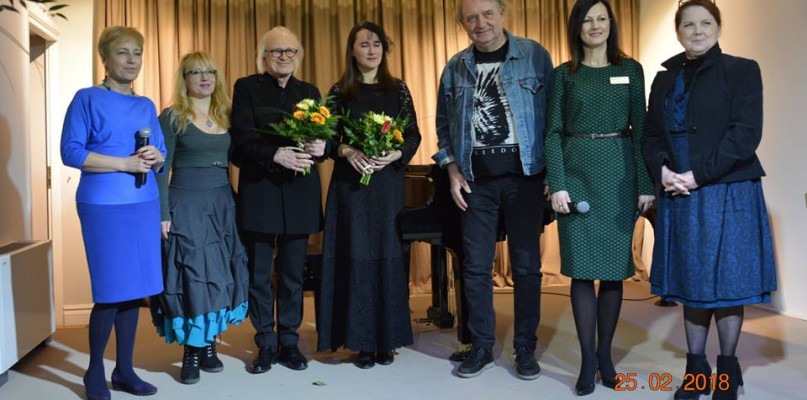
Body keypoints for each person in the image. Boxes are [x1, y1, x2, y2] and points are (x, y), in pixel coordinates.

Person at [642, 1, 777, 399]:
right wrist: (662, 171)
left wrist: (698, 174)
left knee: (727, 281)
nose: (697, 31)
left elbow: (746, 134)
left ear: (718, 28)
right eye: (688, 24)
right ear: (678, 31)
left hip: (727, 188)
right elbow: (650, 135)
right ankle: (695, 368)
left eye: (705, 23)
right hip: (679, 191)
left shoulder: (742, 70)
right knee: (691, 280)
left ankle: (728, 368)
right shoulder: (664, 78)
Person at [433, 0, 554, 380]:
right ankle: (482, 346)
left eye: (487, 14)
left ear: (503, 14)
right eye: (471, 17)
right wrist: (452, 169)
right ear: (462, 24)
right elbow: (442, 126)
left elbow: (553, 116)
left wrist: (553, 173)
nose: (480, 23)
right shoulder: (455, 67)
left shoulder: (534, 55)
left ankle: (525, 347)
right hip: (475, 182)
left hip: (526, 179)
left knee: (527, 267)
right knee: (475, 268)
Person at [544, 0, 654, 395]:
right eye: (588, 19)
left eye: (602, 18)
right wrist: (558, 183)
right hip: (575, 175)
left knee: (612, 269)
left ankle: (604, 354)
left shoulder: (631, 69)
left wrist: (645, 184)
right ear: (577, 27)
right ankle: (587, 361)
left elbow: (641, 131)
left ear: (611, 24)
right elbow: (553, 132)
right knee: (580, 269)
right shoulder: (564, 74)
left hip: (619, 177)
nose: (595, 26)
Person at [60, 26, 164, 400]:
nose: (131, 60)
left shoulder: (146, 105)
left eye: (137, 52)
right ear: (104, 58)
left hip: (144, 204)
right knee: (110, 289)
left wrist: (156, 157)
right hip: (104, 206)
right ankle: (94, 372)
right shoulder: (86, 99)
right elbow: (71, 152)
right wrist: (123, 163)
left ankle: (124, 370)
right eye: (122, 52)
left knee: (133, 290)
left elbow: (161, 157)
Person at [316, 22, 421, 369]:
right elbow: (326, 139)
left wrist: (394, 154)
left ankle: (386, 339)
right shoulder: (339, 91)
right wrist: (347, 151)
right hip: (351, 187)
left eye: (376, 44)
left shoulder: (398, 89)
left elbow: (413, 135)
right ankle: (360, 341)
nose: (371, 50)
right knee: (356, 254)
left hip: (387, 185)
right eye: (364, 44)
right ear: (352, 50)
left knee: (387, 255)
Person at [230, 26, 326, 374]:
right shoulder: (246, 87)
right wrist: (275, 154)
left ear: (298, 55)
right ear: (264, 56)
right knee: (259, 274)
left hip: (300, 194)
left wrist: (323, 146)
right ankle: (265, 342)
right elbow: (242, 139)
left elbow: (323, 139)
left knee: (292, 275)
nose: (284, 57)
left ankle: (289, 341)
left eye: (290, 51)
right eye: (276, 51)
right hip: (261, 192)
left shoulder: (310, 91)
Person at [151, 51, 249, 385]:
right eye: (195, 72)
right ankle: (192, 351)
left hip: (222, 204)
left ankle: (208, 344)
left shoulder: (227, 115)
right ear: (185, 79)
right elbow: (161, 168)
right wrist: (163, 213)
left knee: (218, 275)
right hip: (186, 203)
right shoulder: (173, 116)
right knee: (192, 275)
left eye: (210, 71)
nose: (204, 78)